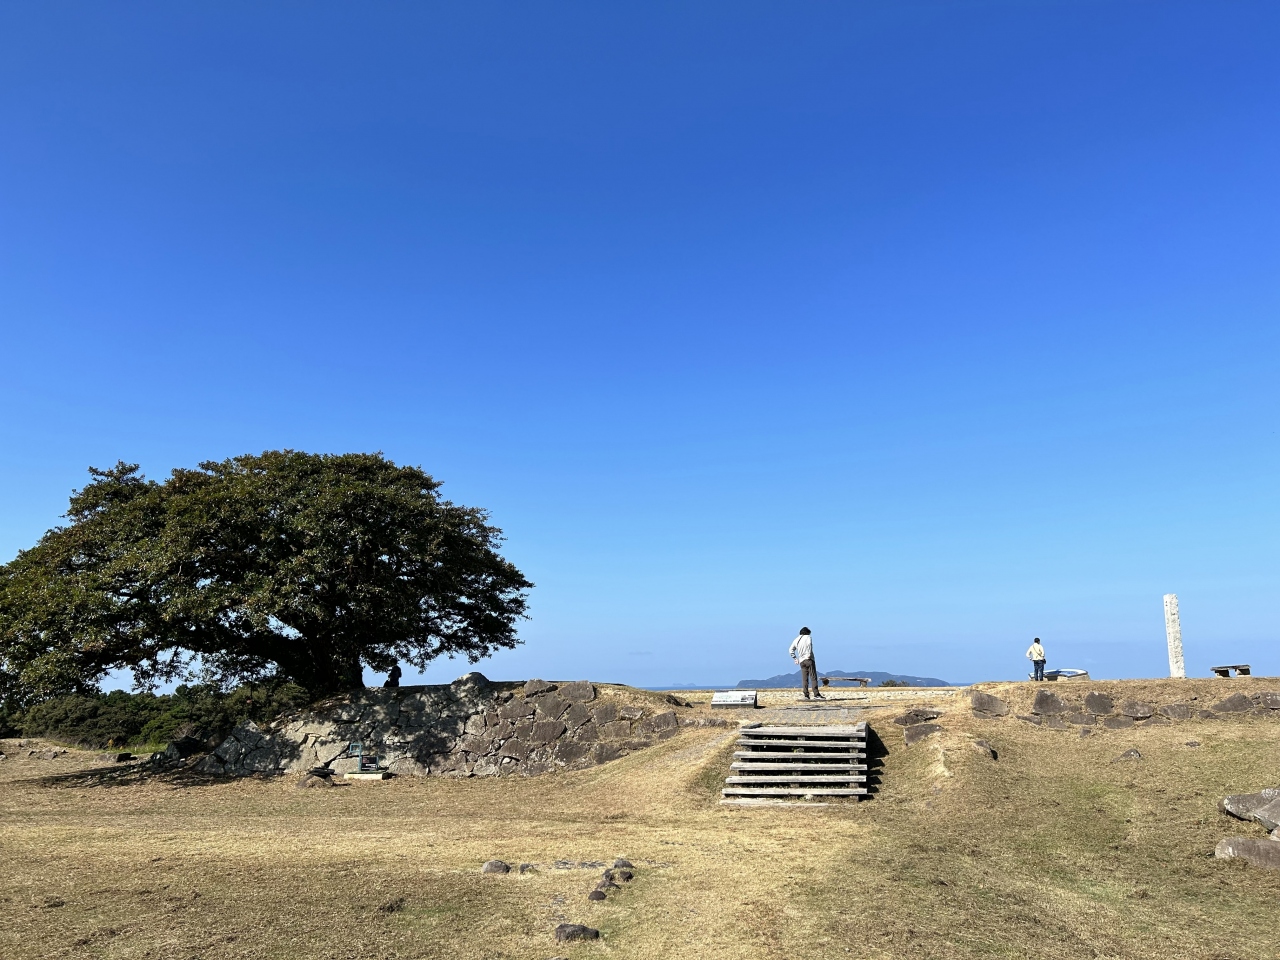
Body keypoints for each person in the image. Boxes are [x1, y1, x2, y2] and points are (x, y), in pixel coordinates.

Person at [789, 627, 824, 700]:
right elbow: (809, 645)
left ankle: (806, 695)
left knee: (804, 678)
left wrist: (795, 658)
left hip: (801, 661)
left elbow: (790, 650)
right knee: (813, 677)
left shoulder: (796, 639)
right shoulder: (808, 637)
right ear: (807, 632)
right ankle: (816, 694)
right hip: (809, 659)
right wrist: (809, 654)